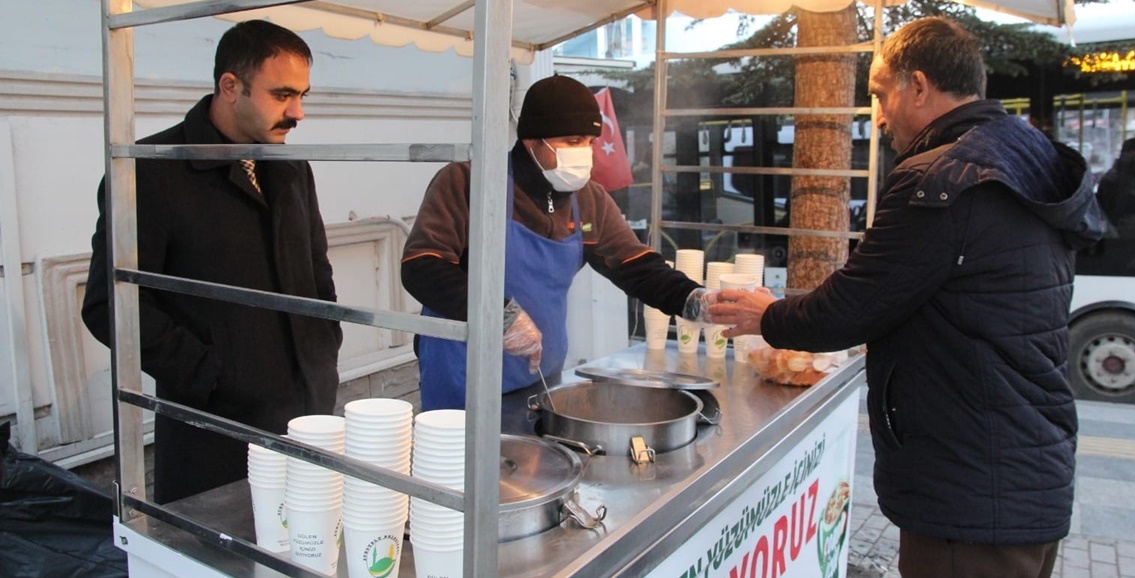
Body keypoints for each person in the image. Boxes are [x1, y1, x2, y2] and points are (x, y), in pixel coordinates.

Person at [709, 17, 1105, 578]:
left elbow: (853, 305)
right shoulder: (1026, 157)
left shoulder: (942, 178)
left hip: (969, 492)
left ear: (917, 86)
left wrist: (766, 315)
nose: (879, 115)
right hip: (1030, 470)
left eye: (879, 94)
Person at [81, 20, 342, 504]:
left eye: (303, 95)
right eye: (283, 94)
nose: (298, 112)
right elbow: (109, 303)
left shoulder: (290, 164)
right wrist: (208, 373)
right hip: (215, 434)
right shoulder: (150, 171)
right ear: (230, 86)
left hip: (308, 415)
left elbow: (315, 267)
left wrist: (322, 346)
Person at [401, 75, 708, 411]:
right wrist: (500, 317)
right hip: (463, 375)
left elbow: (637, 267)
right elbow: (422, 266)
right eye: (573, 140)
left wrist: (693, 299)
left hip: (540, 376)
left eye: (590, 142)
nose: (585, 153)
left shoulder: (590, 199)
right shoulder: (469, 183)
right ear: (533, 140)